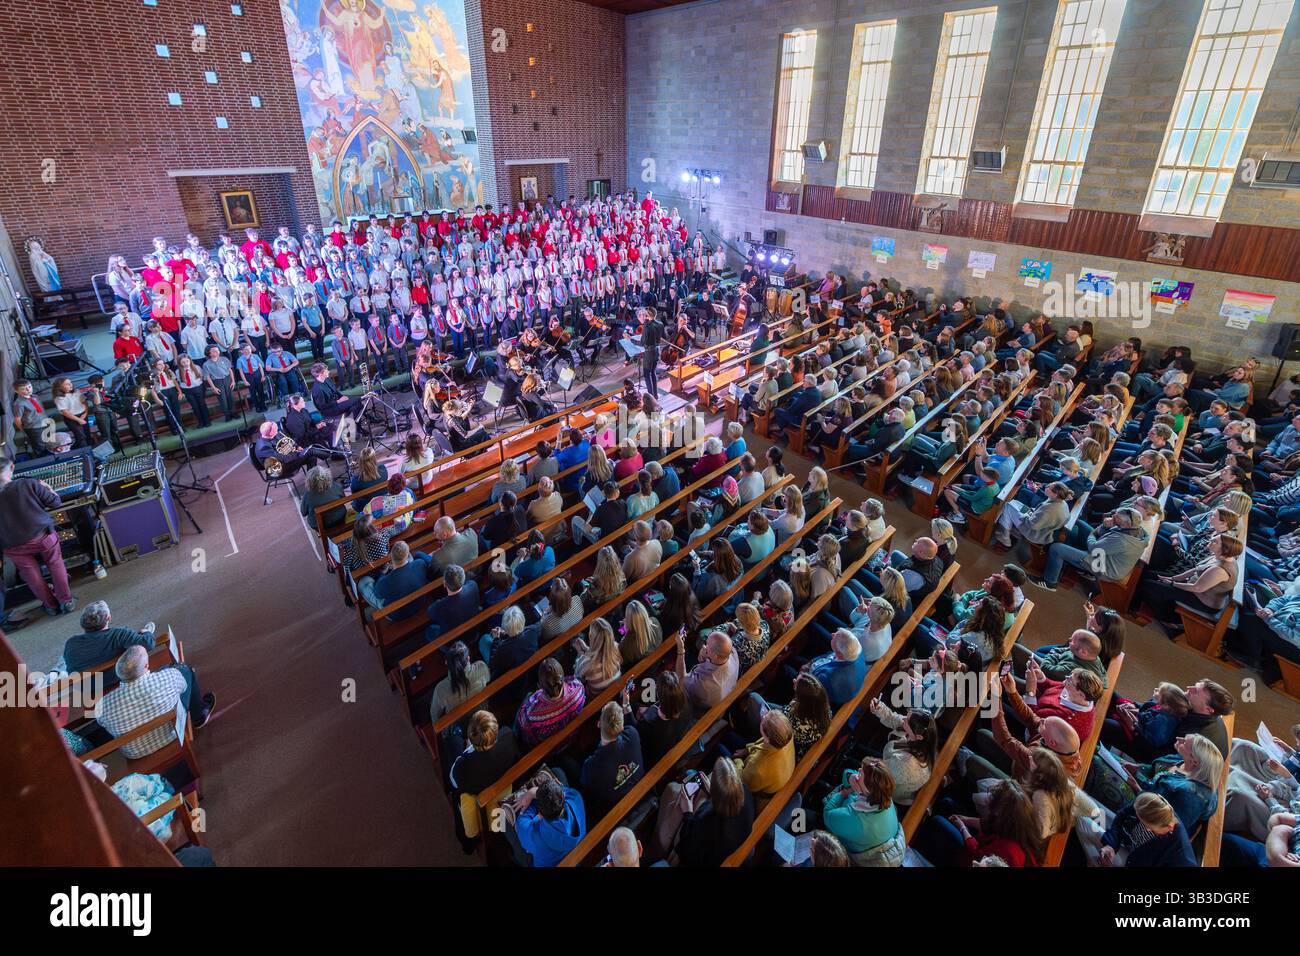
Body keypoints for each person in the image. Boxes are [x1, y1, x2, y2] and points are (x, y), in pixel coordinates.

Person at [97, 645, 215, 755]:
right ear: (146, 666)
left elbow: (101, 722)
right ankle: (200, 714)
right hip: (173, 734)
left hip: (134, 753)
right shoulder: (169, 676)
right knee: (187, 671)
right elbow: (184, 685)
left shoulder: (101, 706)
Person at [0, 457, 75, 618]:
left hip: (11, 545)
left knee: (30, 575)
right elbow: (55, 503)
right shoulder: (28, 484)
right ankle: (65, 601)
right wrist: (48, 487)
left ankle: (50, 606)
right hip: (42, 536)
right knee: (55, 563)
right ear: (11, 467)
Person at [822, 757, 907, 866]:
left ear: (866, 790)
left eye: (861, 773)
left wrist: (844, 793)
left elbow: (828, 814)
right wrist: (850, 777)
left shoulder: (856, 820)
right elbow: (850, 774)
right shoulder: (883, 795)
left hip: (852, 854)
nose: (859, 770)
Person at [504, 768, 586, 868]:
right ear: (563, 795)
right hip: (575, 849)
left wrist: (531, 793)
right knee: (558, 772)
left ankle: (514, 858)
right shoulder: (576, 797)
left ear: (540, 815)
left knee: (504, 819)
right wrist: (535, 793)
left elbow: (521, 821)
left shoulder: (534, 835)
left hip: (547, 861)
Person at [580, 699, 645, 821]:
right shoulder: (632, 735)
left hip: (611, 808)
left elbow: (585, 789)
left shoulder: (591, 766)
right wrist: (626, 703)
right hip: (639, 795)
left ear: (599, 724)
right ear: (621, 727)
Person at [60, 601, 155, 675]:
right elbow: (148, 643)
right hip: (116, 679)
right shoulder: (119, 634)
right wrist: (147, 633)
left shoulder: (71, 643)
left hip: (85, 690)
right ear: (109, 618)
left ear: (83, 624)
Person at [517, 657, 586, 747]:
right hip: (571, 737)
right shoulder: (578, 689)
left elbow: (525, 730)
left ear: (540, 685)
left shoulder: (531, 713)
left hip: (548, 748)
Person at [675, 626, 739, 715]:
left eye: (707, 644)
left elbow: (681, 679)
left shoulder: (704, 684)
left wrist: (680, 650)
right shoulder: (732, 653)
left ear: (715, 656)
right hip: (722, 690)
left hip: (697, 706)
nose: (704, 646)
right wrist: (704, 659)